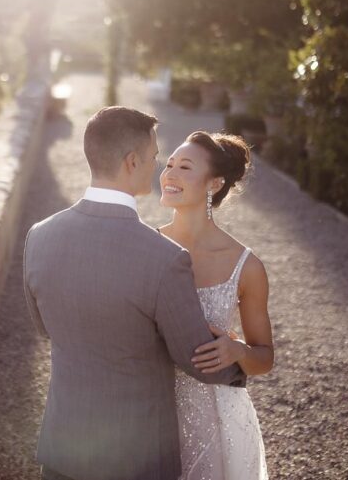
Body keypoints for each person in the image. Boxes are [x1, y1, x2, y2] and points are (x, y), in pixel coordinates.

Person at [23, 107, 248, 480]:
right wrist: (243, 362)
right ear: (132, 162)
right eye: (155, 157)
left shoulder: (39, 236)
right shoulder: (165, 258)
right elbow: (196, 359)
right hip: (137, 460)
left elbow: (44, 326)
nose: (158, 167)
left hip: (62, 451)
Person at [159, 130, 274, 479]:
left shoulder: (247, 266)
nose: (170, 174)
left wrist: (237, 350)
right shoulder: (147, 246)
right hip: (153, 412)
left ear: (214, 184)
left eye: (185, 167)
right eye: (169, 164)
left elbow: (264, 357)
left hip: (218, 420)